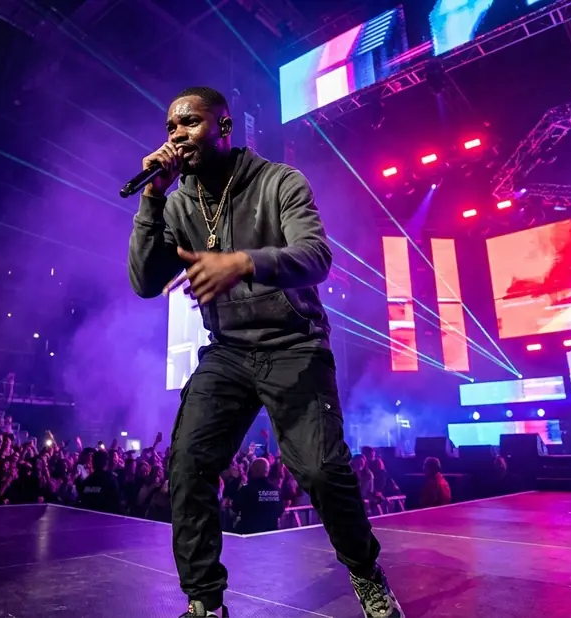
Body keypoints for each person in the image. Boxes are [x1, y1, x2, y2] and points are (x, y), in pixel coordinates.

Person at [128, 86, 402, 618]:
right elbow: (143, 281)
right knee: (187, 465)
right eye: (169, 128)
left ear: (225, 127)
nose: (176, 135)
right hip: (227, 350)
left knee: (321, 472)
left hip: (293, 344)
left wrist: (243, 263)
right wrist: (151, 198)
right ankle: (205, 602)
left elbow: (317, 255)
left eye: (188, 123)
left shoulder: (279, 182)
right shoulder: (178, 199)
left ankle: (367, 574)